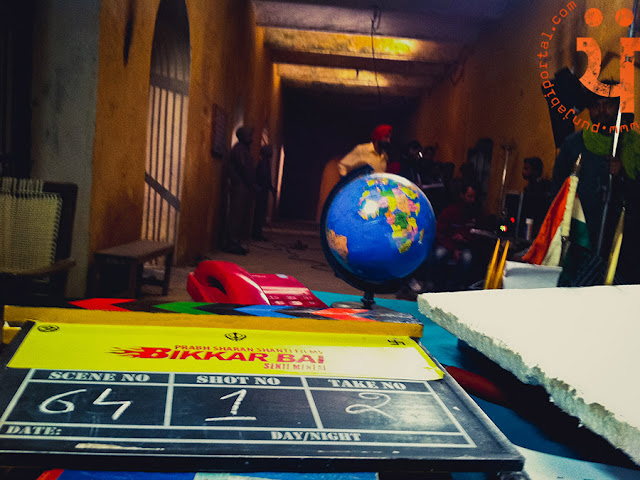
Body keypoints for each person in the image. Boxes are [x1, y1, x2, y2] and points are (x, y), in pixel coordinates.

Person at [552, 94, 640, 265]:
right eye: (595, 105)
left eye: (608, 105)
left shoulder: (634, 146)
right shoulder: (573, 145)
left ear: (619, 108)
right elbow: (557, 192)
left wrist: (623, 174)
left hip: (623, 246)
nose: (601, 111)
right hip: (578, 240)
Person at [429, 183, 481, 291]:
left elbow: (477, 234)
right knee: (438, 254)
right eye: (469, 196)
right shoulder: (449, 211)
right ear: (462, 195)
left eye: (474, 197)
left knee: (467, 258)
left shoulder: (476, 213)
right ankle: (437, 285)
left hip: (465, 247)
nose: (472, 200)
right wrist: (453, 249)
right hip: (447, 245)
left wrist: (465, 240)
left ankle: (455, 286)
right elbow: (440, 234)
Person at [225, 125, 256, 255]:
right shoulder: (239, 150)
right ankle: (232, 243)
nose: (251, 138)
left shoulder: (244, 149)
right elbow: (244, 169)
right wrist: (251, 183)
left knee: (241, 215)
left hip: (244, 186)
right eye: (249, 135)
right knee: (236, 215)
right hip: (240, 186)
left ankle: (236, 241)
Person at [521, 156, 552, 238]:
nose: (523, 171)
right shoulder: (528, 187)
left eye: (526, 169)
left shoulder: (545, 187)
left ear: (535, 170)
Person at [252, 144, 276, 241]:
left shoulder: (266, 163)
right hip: (260, 191)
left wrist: (271, 188)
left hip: (264, 191)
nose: (272, 153)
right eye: (270, 150)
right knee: (258, 213)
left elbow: (267, 179)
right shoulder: (261, 163)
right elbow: (259, 177)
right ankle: (256, 233)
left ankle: (258, 232)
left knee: (261, 213)